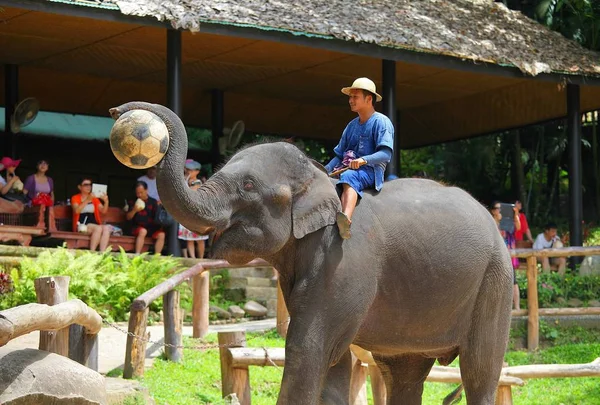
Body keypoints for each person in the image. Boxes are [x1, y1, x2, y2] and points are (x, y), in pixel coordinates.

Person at [324, 77, 394, 239]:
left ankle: (345, 220)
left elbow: (386, 154)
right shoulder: (351, 125)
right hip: (347, 169)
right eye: (350, 97)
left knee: (348, 176)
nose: (350, 100)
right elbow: (339, 156)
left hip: (369, 171)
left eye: (355, 97)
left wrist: (364, 160)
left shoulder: (382, 122)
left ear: (369, 99)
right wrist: (324, 170)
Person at [490, 201, 520, 310]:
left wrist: (515, 214)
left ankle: (517, 308)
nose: (500, 211)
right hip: (496, 257)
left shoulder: (508, 222)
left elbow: (518, 227)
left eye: (501, 209)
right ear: (493, 211)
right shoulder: (490, 223)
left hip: (508, 255)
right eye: (498, 208)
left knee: (513, 282)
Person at [71, 177, 112, 252]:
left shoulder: (94, 199)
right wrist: (87, 200)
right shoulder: (75, 198)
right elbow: (77, 211)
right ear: (79, 187)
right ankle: (92, 252)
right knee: (98, 228)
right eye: (85, 185)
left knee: (106, 228)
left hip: (94, 224)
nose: (88, 187)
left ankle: (102, 253)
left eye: (90, 184)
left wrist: (106, 201)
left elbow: (103, 211)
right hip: (82, 224)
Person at [178, 160, 208, 258]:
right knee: (189, 239)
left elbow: (191, 194)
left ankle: (200, 258)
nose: (188, 172)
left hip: (197, 213)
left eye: (191, 170)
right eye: (187, 170)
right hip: (187, 213)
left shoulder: (198, 182)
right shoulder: (185, 180)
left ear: (197, 172)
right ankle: (193, 258)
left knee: (200, 239)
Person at [127, 181, 165, 254]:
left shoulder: (153, 202)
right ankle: (137, 254)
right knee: (143, 231)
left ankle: (157, 257)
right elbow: (128, 218)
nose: (139, 195)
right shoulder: (133, 201)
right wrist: (134, 210)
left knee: (161, 234)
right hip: (137, 227)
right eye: (137, 193)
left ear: (146, 190)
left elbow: (156, 217)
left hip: (151, 228)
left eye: (141, 192)